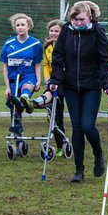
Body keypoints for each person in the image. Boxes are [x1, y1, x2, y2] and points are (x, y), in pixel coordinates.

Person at [48, 1, 108, 183]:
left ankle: (98, 154)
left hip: (91, 86)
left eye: (82, 20)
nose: (78, 23)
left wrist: (106, 82)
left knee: (86, 126)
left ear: (90, 17)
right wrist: (55, 80)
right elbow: (58, 57)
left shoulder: (97, 31)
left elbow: (105, 58)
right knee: (76, 128)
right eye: (75, 20)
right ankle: (79, 169)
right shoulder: (67, 31)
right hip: (70, 87)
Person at [0, 13, 43, 139]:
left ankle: (25, 98)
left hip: (28, 76)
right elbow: (5, 66)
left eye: (23, 24)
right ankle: (18, 135)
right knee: (14, 108)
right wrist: (7, 87)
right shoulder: (8, 44)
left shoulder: (36, 44)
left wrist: (39, 80)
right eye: (17, 25)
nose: (20, 27)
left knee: (26, 88)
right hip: (14, 80)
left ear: (29, 26)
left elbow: (37, 65)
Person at [36, 18, 67, 153]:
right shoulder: (48, 47)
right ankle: (60, 144)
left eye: (57, 31)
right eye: (51, 30)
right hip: (54, 82)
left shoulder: (67, 46)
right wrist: (47, 77)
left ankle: (38, 101)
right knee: (54, 115)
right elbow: (46, 64)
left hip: (66, 83)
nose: (53, 33)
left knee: (57, 113)